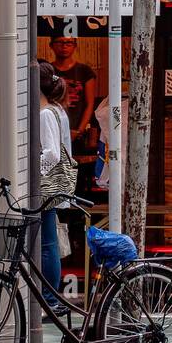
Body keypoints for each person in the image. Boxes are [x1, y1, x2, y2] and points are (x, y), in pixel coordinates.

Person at [39, 62, 73, 309]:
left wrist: (33, 173)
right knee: (48, 241)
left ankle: (50, 298)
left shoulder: (45, 114)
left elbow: (52, 154)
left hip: (46, 186)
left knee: (48, 243)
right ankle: (50, 297)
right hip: (53, 187)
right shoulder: (57, 109)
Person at [49, 33, 97, 168]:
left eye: (68, 43)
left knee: (76, 170)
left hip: (76, 132)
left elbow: (89, 103)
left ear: (74, 46)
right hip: (52, 129)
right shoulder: (48, 70)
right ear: (51, 46)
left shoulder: (85, 71)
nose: (64, 47)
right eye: (60, 42)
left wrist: (78, 130)